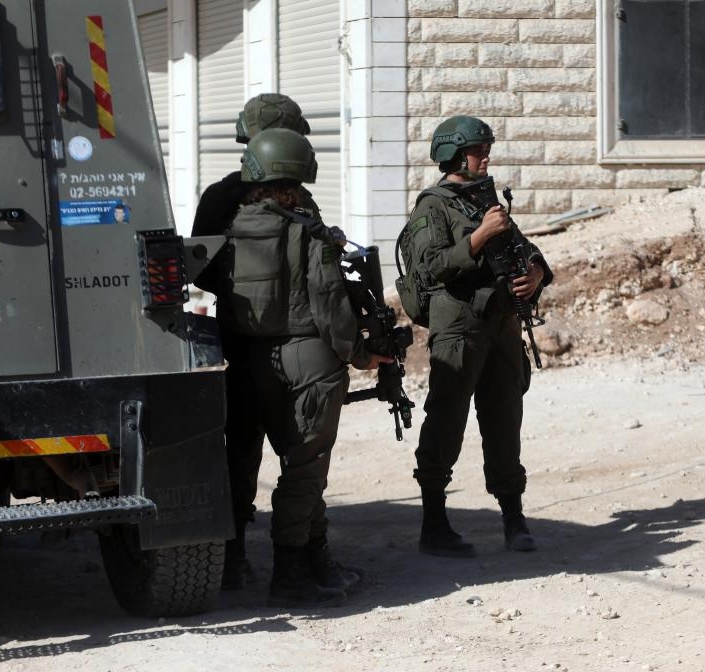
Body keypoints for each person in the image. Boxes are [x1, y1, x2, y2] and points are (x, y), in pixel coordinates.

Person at [220, 127, 392, 608]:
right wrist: (360, 354)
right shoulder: (306, 231)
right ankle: (291, 575)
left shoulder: (232, 229)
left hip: (254, 362)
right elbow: (331, 309)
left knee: (290, 466)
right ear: (296, 178)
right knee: (304, 469)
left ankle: (310, 563)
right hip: (309, 360)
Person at [192, 93, 325, 590]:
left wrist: (242, 294)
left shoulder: (220, 196)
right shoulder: (292, 197)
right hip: (283, 344)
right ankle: (290, 560)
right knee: (296, 449)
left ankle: (235, 559)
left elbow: (201, 269)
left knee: (241, 450)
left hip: (237, 338)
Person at [408, 116, 553, 557]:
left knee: (505, 417)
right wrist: (478, 238)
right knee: (447, 420)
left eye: (486, 148)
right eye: (477, 150)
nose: (485, 156)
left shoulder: (485, 198)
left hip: (501, 325)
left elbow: (524, 249)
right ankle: (434, 524)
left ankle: (514, 518)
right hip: (458, 328)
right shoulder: (433, 207)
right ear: (453, 154)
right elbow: (431, 266)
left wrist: (536, 272)